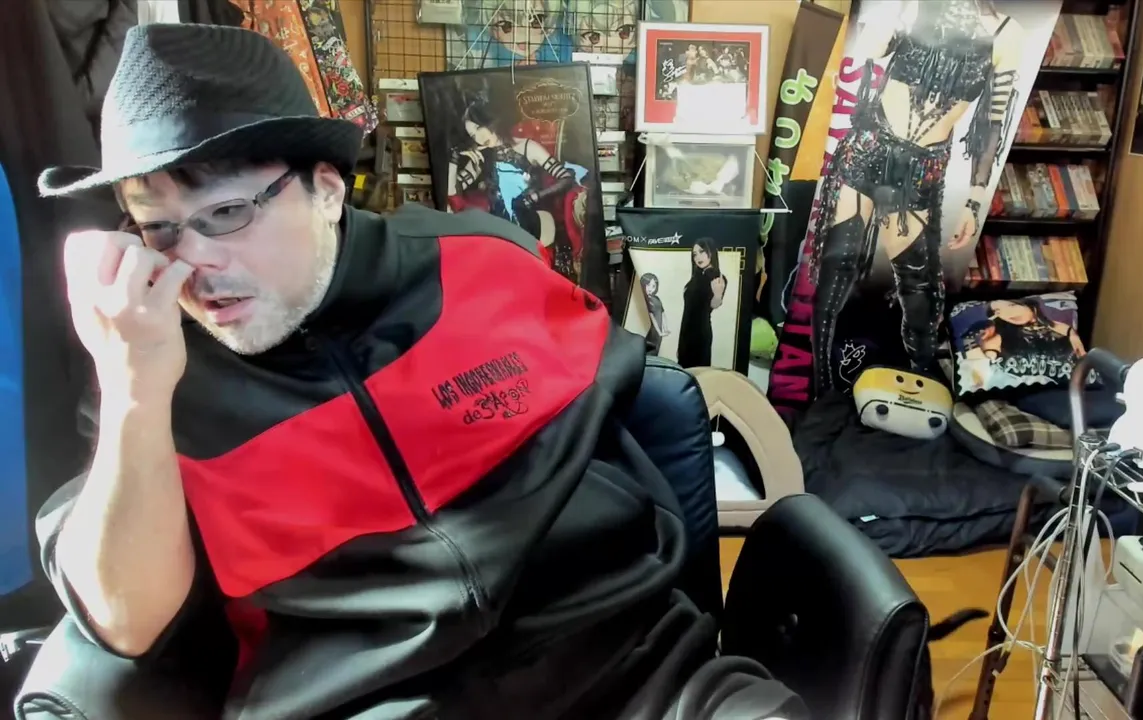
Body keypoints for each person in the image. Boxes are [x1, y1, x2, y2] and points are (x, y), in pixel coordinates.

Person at [33, 23, 807, 720]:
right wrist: (135, 388)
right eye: (159, 229)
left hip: (641, 675)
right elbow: (124, 625)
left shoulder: (482, 267)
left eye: (227, 214)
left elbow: (635, 430)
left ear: (325, 189)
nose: (194, 263)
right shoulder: (155, 378)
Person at [809, 0, 1024, 394]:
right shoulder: (918, 4)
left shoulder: (1005, 32)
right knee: (837, 263)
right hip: (870, 145)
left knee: (919, 287)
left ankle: (922, 385)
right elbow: (870, 49)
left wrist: (974, 202)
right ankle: (822, 387)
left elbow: (992, 126)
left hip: (920, 169)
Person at [447, 101, 588, 281]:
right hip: (498, 227)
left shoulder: (527, 147)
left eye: (479, 129)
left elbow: (566, 177)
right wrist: (454, 159)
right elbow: (452, 193)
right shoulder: (481, 157)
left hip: (528, 221)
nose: (479, 138)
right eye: (473, 135)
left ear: (491, 121)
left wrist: (536, 196)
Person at [677, 239, 726, 368]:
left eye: (702, 251)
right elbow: (688, 311)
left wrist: (717, 295)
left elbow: (714, 305)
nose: (698, 257)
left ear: (711, 252)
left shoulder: (717, 277)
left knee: (699, 372)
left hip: (701, 333)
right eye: (695, 254)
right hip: (686, 331)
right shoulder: (696, 277)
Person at [640, 272, 670, 351]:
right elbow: (652, 317)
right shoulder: (645, 300)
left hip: (659, 330)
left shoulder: (656, 298)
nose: (650, 288)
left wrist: (665, 328)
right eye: (648, 285)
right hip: (653, 330)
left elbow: (663, 313)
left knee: (657, 349)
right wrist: (659, 332)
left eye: (653, 286)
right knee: (651, 350)